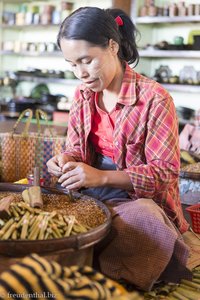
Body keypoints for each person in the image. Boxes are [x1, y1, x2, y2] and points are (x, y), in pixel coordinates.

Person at [47, 6, 192, 291]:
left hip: (137, 198)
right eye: (72, 64)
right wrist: (66, 159)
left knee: (142, 222)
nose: (80, 73)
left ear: (112, 46)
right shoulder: (83, 94)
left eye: (87, 60)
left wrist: (100, 177)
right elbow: (76, 149)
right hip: (91, 190)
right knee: (45, 219)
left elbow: (165, 172)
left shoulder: (154, 99)